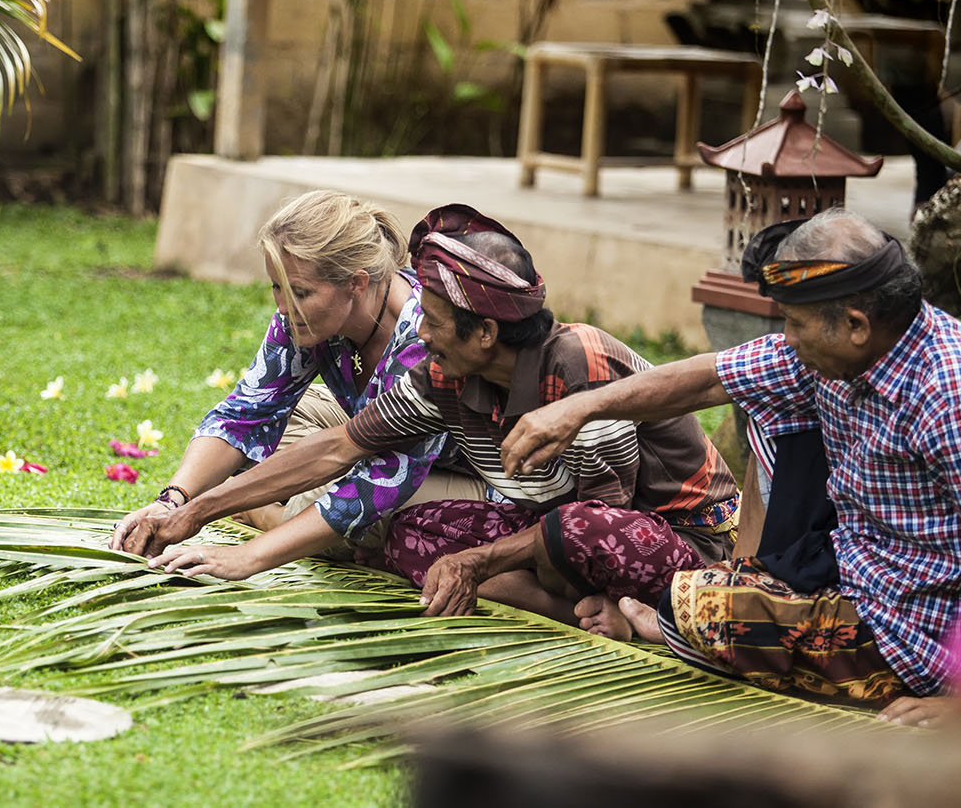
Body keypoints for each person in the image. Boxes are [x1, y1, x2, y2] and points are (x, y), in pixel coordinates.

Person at [501, 207, 961, 717]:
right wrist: (577, 408)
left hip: (918, 637)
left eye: (794, 323)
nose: (786, 338)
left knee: (703, 612)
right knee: (697, 594)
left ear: (855, 325)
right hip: (847, 572)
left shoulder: (956, 394)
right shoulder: (847, 349)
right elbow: (709, 378)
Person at [130, 204, 740, 623]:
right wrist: (195, 509)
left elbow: (601, 520)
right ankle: (577, 615)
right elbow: (342, 446)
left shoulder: (579, 368)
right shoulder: (448, 374)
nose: (421, 327)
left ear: (483, 334)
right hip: (546, 524)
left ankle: (632, 613)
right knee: (410, 536)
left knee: (572, 530)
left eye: (435, 320)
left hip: (669, 541)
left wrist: (481, 560)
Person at [110, 189, 474, 562]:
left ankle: (275, 519)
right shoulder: (307, 318)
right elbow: (246, 412)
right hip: (362, 441)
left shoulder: (420, 338)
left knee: (317, 498)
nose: (284, 307)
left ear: (357, 283)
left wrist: (244, 554)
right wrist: (174, 500)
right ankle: (302, 523)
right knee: (282, 429)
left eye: (300, 292)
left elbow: (379, 479)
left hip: (461, 472)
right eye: (276, 287)